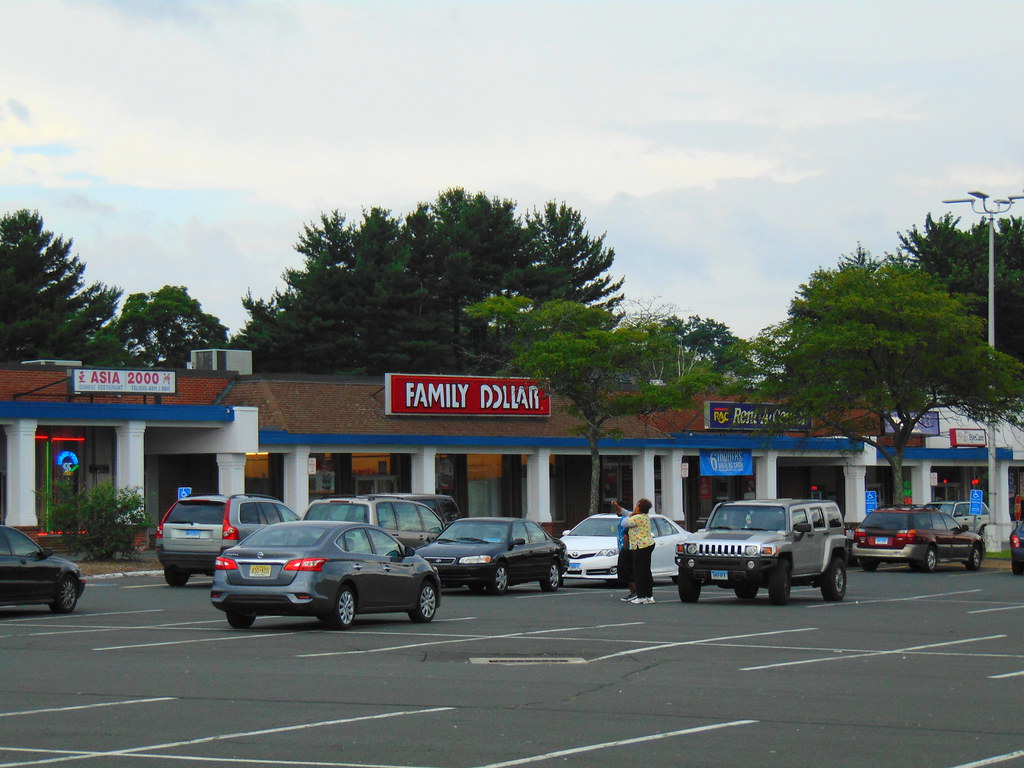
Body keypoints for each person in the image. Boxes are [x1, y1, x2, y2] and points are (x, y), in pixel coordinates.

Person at [621, 498, 655, 604]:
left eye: (637, 506)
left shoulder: (637, 518)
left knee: (639, 572)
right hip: (648, 544)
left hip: (640, 546)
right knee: (646, 571)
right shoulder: (645, 517)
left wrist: (631, 514)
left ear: (640, 508)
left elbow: (624, 523)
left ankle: (641, 596)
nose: (635, 508)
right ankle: (649, 596)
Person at [610, 500, 636, 601]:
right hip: (624, 548)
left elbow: (627, 533)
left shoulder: (627, 519)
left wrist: (625, 548)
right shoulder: (624, 518)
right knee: (625, 571)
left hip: (627, 549)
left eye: (616, 509)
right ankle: (632, 592)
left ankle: (635, 591)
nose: (615, 512)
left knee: (627, 571)